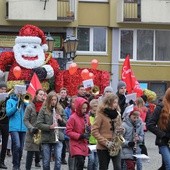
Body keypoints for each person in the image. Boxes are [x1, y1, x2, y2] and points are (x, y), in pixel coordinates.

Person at [91, 93, 123, 170]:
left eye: (117, 102)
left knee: (118, 167)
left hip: (115, 145)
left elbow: (119, 127)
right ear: (109, 102)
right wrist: (106, 142)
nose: (116, 104)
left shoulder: (117, 114)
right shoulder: (100, 114)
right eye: (114, 102)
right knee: (103, 168)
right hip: (103, 147)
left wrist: (122, 130)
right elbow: (94, 131)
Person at [36, 91, 67, 170]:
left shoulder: (60, 109)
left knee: (58, 160)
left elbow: (67, 124)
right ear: (49, 100)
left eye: (55, 100)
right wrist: (49, 127)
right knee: (46, 161)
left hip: (58, 137)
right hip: (46, 138)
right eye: (52, 100)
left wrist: (60, 119)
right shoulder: (43, 110)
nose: (54, 102)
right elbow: (38, 124)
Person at [147, 88, 170, 170]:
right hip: (163, 141)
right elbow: (150, 124)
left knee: (165, 165)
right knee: (169, 165)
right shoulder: (160, 107)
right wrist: (163, 135)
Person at [6, 86, 27, 170]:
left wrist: (23, 99)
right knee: (17, 145)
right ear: (14, 91)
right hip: (14, 127)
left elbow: (29, 106)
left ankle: (17, 165)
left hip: (23, 128)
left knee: (21, 148)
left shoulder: (25, 99)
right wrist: (16, 105)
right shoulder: (10, 101)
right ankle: (15, 165)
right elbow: (8, 113)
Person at [66, 97, 90, 170]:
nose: (85, 110)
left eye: (86, 108)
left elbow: (89, 126)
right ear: (79, 107)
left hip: (83, 143)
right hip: (75, 143)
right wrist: (80, 136)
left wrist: (89, 129)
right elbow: (68, 131)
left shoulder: (86, 117)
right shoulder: (72, 117)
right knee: (80, 161)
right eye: (83, 108)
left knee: (81, 163)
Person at [24, 89, 45, 170]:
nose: (42, 96)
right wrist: (31, 128)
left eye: (43, 94)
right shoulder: (30, 106)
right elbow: (25, 119)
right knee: (30, 153)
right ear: (36, 95)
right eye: (40, 94)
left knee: (44, 154)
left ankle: (39, 163)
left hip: (43, 132)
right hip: (33, 132)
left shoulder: (45, 107)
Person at [64, 96, 77, 170]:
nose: (75, 104)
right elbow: (66, 122)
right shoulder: (67, 110)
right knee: (72, 153)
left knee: (76, 154)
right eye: (73, 102)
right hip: (69, 136)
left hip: (77, 135)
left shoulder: (80, 111)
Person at [59, 87, 70, 165]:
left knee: (65, 142)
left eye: (64, 92)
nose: (63, 94)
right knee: (60, 142)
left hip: (65, 122)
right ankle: (59, 156)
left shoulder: (68, 103)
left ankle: (63, 157)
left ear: (66, 94)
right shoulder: (57, 101)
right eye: (62, 92)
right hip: (59, 122)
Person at [88, 99, 99, 170]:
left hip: (98, 143)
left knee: (96, 162)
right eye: (94, 111)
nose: (95, 113)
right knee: (91, 160)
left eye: (97, 111)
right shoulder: (88, 118)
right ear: (91, 110)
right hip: (90, 142)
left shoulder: (100, 118)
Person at [0, 82, 9, 169]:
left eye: (5, 89)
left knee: (5, 143)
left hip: (5, 122)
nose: (3, 91)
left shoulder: (8, 98)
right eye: (2, 89)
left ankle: (2, 161)